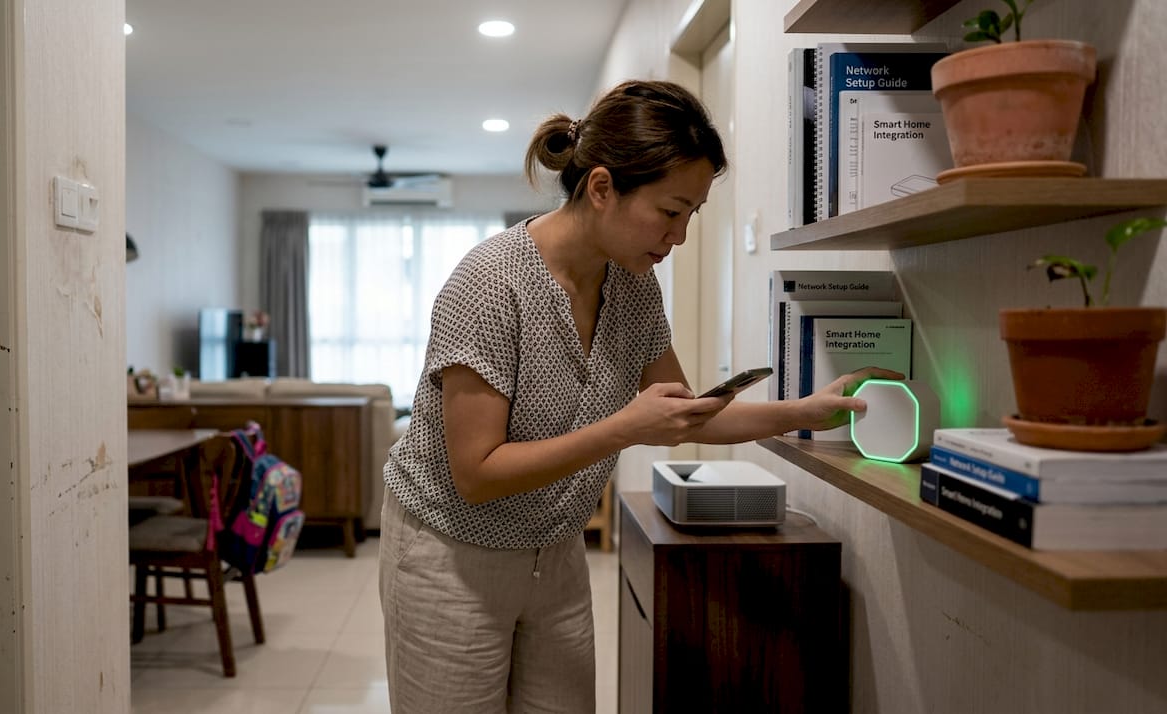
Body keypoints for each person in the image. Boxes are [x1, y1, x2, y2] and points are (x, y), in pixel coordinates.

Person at [378, 78, 900, 713]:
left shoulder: (633, 288)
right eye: (670, 210)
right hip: (450, 554)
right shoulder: (488, 284)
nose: (678, 236)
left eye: (692, 215)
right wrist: (624, 428)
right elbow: (477, 475)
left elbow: (684, 418)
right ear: (602, 189)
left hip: (555, 551)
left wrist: (805, 412)